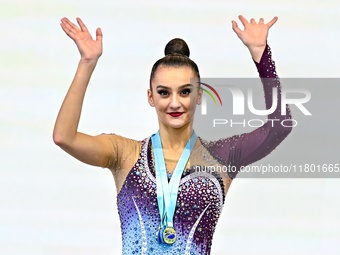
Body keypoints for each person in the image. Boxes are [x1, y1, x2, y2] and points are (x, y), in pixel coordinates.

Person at [53, 15, 293, 255]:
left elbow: (280, 127)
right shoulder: (124, 153)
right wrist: (86, 63)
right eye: (164, 92)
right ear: (151, 97)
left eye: (185, 92)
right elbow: (64, 137)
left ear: (199, 96)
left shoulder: (221, 157)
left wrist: (262, 56)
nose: (175, 103)